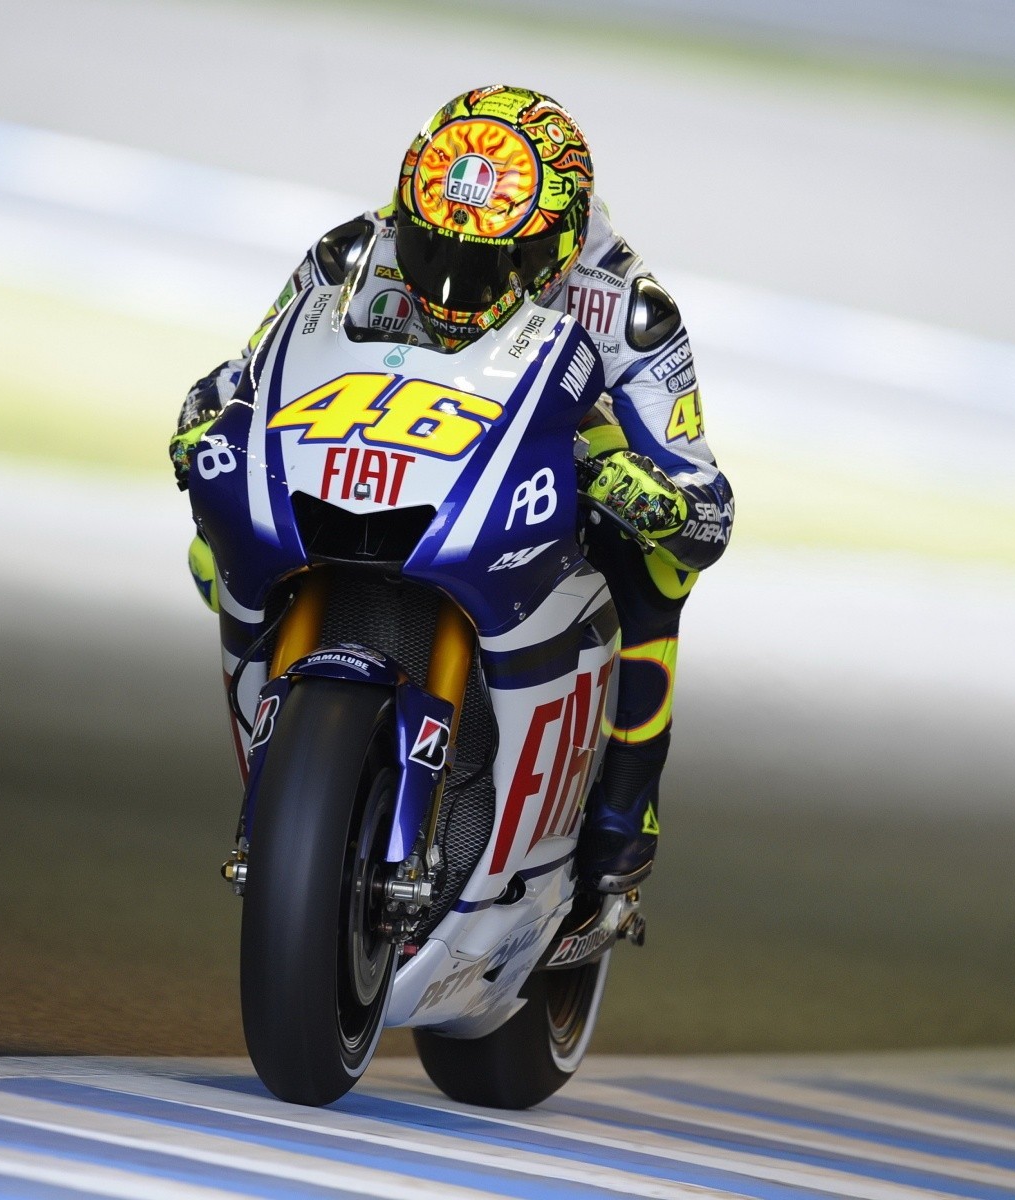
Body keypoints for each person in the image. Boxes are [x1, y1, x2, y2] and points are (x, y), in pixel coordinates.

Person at [172, 86, 733, 894]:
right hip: (379, 449)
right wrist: (203, 417)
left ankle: (625, 803)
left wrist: (644, 495)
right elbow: (248, 371)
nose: (453, 281)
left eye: (493, 261)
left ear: (558, 243)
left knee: (657, 562)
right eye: (432, 247)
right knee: (211, 545)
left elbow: (706, 505)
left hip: (537, 483)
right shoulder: (353, 250)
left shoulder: (628, 306)